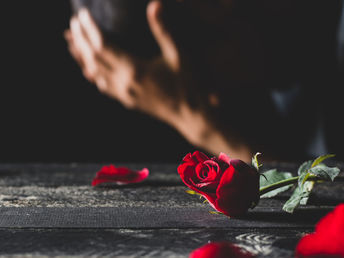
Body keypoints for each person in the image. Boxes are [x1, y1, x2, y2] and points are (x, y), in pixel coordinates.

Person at [64, 0, 344, 163]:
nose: (212, 98)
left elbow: (328, 206)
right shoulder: (293, 74)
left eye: (198, 68)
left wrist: (195, 121)